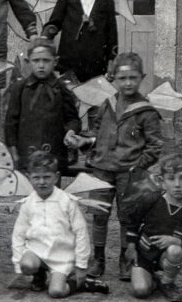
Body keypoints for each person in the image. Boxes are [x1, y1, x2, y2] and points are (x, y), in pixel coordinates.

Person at [65, 52, 163, 279]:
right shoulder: (106, 104)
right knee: (99, 214)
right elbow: (96, 134)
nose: (128, 83)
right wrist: (83, 141)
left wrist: (137, 166)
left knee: (127, 217)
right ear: (114, 79)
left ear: (142, 78)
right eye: (122, 78)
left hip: (129, 174)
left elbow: (155, 146)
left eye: (133, 78)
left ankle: (125, 259)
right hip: (101, 170)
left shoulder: (145, 111)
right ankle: (97, 259)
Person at [10, 150, 108, 297]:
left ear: (56, 177)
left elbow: (81, 233)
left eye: (47, 177)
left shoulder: (67, 201)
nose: (42, 182)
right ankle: (39, 274)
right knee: (26, 264)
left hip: (62, 255)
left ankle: (81, 283)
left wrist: (81, 264)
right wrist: (18, 263)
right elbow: (18, 233)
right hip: (37, 252)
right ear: (29, 178)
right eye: (36, 177)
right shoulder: (28, 203)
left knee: (56, 291)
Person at [122, 153, 182, 302]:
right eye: (171, 178)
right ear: (162, 181)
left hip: (167, 256)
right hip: (145, 254)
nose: (177, 184)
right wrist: (131, 247)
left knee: (175, 250)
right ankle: (153, 279)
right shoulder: (151, 199)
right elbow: (133, 222)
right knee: (140, 291)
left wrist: (176, 241)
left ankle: (167, 282)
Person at [40, 0, 118, 84]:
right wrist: (46, 36)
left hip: (97, 67)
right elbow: (54, 23)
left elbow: (112, 36)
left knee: (94, 102)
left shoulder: (107, 2)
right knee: (69, 101)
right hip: (68, 65)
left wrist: (112, 62)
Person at [3, 37, 81, 173]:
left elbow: (73, 119)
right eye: (36, 60)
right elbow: (11, 123)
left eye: (46, 61)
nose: (41, 65)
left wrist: (71, 132)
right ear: (29, 62)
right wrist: (14, 154)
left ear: (55, 61)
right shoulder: (19, 89)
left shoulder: (62, 89)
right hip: (27, 156)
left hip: (54, 156)